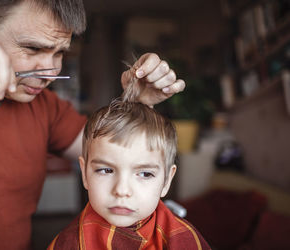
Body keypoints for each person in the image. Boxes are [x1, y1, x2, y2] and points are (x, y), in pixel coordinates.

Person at [0, 0, 185, 249]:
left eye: (59, 53)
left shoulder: (48, 108)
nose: (50, 71)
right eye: (33, 48)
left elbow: (113, 157)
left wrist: (139, 103)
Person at [47, 82, 210, 249]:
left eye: (145, 174)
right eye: (106, 170)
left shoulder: (182, 239)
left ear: (167, 181)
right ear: (85, 173)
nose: (122, 190)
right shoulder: (69, 243)